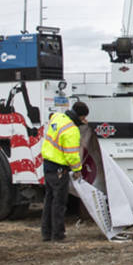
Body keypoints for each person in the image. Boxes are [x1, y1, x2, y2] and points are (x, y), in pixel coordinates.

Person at [40, 100, 89, 242]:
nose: (85, 120)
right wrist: (77, 169)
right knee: (59, 203)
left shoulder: (58, 117)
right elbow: (71, 154)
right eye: (84, 117)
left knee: (49, 200)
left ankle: (46, 233)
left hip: (48, 164)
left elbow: (51, 118)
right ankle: (58, 234)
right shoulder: (72, 130)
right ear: (79, 116)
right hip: (59, 168)